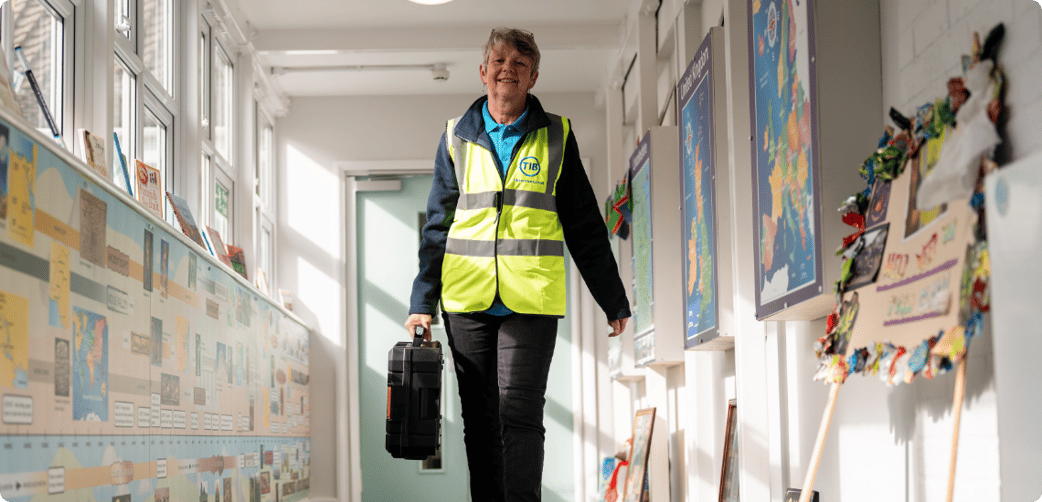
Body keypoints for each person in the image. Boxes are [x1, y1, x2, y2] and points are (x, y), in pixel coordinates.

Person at [404, 27, 631, 502]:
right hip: (466, 300)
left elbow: (585, 227)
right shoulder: (455, 137)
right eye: (500, 60)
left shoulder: (557, 136)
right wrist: (422, 301)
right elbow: (437, 228)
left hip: (530, 299)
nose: (508, 68)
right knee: (479, 419)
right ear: (483, 71)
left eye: (520, 63)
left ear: (533, 76)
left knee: (519, 410)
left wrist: (613, 299)